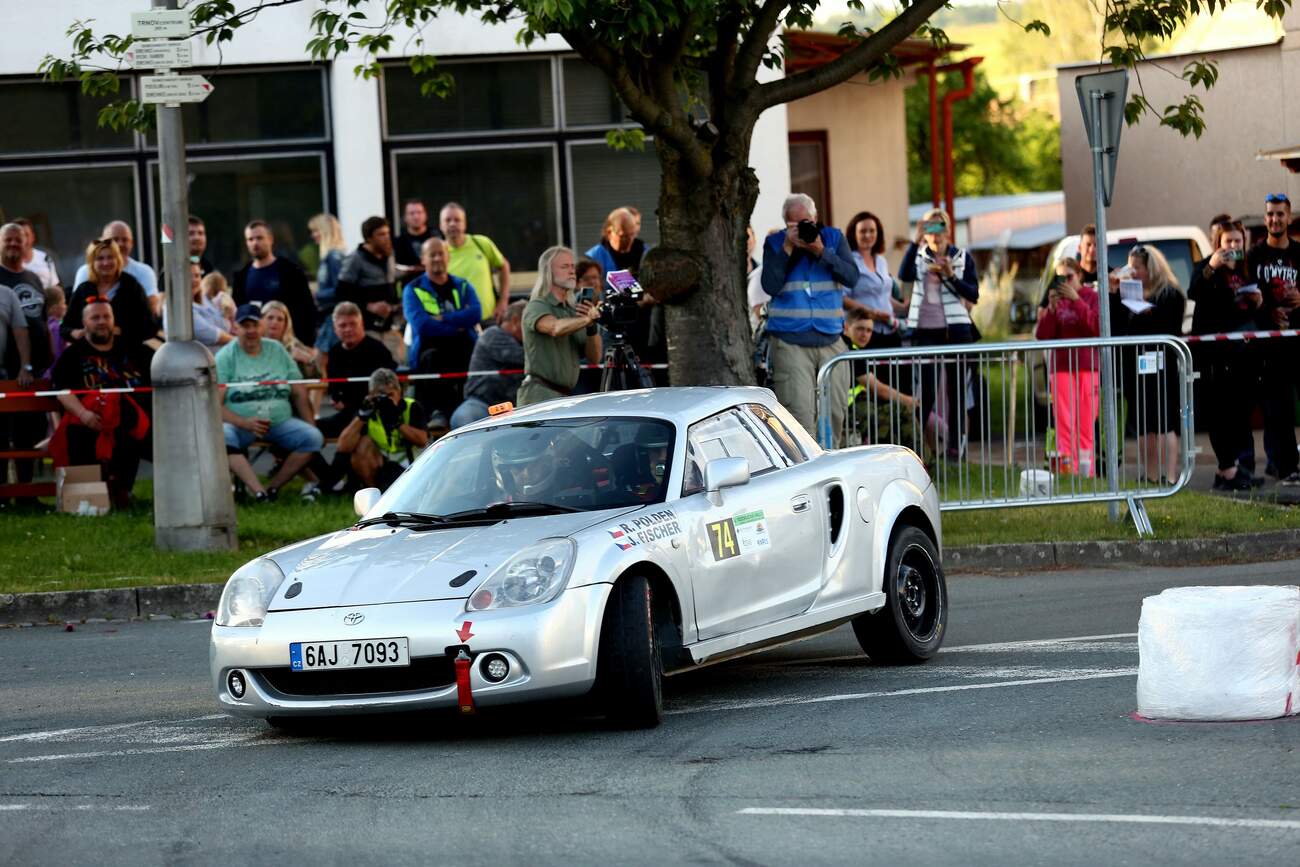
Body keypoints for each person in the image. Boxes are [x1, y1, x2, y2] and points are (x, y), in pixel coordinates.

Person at [759, 193, 857, 441]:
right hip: (791, 343)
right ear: (786, 223)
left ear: (815, 218)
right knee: (799, 418)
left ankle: (830, 470)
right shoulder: (775, 242)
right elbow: (770, 285)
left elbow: (852, 278)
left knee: (834, 412)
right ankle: (806, 475)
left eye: (806, 223)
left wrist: (821, 251)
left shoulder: (833, 238)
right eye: (795, 225)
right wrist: (788, 249)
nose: (802, 229)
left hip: (831, 339)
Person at [50, 298, 153, 508]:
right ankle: (88, 501)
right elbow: (62, 391)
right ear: (84, 323)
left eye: (106, 316)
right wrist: (83, 414)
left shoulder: (134, 350)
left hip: (139, 424)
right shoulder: (73, 355)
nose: (101, 321)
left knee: (138, 427)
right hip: (91, 423)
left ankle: (124, 492)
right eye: (95, 317)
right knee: (78, 436)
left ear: (114, 320)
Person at [216, 304, 323, 502]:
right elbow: (215, 404)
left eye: (255, 325)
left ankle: (273, 488)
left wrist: (310, 423)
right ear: (235, 328)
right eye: (245, 325)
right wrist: (244, 423)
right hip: (240, 425)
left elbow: (298, 390)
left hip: (280, 421)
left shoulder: (277, 350)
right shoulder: (225, 356)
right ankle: (258, 492)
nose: (251, 331)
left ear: (262, 326)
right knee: (223, 436)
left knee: (313, 437)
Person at [898, 208, 980, 462]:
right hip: (926, 330)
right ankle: (916, 447)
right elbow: (904, 276)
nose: (936, 234)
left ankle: (956, 450)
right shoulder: (919, 256)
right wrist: (915, 241)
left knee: (957, 391)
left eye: (940, 227)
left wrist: (950, 276)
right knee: (929, 391)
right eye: (930, 228)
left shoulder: (962, 257)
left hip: (957, 330)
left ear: (949, 229)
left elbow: (973, 294)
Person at [1190, 220, 1261, 491]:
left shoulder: (1245, 270)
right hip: (1213, 355)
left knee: (1239, 412)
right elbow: (1194, 291)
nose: (1233, 247)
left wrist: (1257, 302)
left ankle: (1233, 469)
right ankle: (1227, 468)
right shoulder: (1207, 267)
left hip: (1242, 354)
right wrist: (1212, 266)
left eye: (1237, 242)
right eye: (1228, 242)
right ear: (1218, 244)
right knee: (1219, 413)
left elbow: (1246, 307)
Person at [1109, 244, 1185, 485]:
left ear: (1150, 267)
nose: (1133, 272)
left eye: (1137, 267)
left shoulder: (1170, 293)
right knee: (1143, 423)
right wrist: (1113, 294)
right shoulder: (1127, 292)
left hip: (1164, 364)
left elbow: (1172, 327)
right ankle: (1151, 475)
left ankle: (1171, 476)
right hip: (1137, 365)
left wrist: (1150, 310)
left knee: (1166, 421)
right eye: (1130, 267)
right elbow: (1116, 326)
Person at [1248, 193, 1300, 484]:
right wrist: (1267, 309)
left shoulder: (1298, 253)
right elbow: (1243, 293)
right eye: (1270, 214)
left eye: (1280, 214)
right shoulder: (1255, 255)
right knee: (1277, 409)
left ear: (1289, 217)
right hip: (1268, 344)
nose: (1274, 219)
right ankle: (1285, 467)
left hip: (1297, 338)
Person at [403, 237, 481, 429]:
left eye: (441, 253)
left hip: (464, 346)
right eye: (432, 254)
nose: (437, 258)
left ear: (448, 257)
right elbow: (422, 325)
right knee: (433, 359)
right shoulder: (412, 289)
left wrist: (444, 318)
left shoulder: (463, 285)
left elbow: (476, 313)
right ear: (423, 259)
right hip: (430, 350)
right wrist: (458, 324)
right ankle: (437, 413)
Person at [1035, 258, 1101, 477]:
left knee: (1086, 422)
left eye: (1069, 277)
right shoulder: (1056, 301)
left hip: (1087, 367)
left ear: (1080, 275)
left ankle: (1086, 472)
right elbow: (1043, 335)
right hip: (1061, 368)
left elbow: (1096, 327)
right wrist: (1051, 309)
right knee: (1064, 422)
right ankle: (1066, 471)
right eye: (1059, 278)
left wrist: (1077, 301)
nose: (1064, 283)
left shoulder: (1091, 297)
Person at [517, 246, 601, 407]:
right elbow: (555, 328)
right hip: (538, 395)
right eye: (564, 267)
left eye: (572, 266)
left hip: (565, 396)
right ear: (548, 272)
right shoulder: (536, 305)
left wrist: (592, 326)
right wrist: (587, 319)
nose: (571, 271)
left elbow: (594, 358)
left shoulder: (572, 311)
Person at [336, 368, 429, 491]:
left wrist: (397, 423)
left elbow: (422, 441)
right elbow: (342, 447)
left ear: (399, 391)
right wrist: (361, 416)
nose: (387, 399)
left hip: (411, 465)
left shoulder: (411, 406)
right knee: (362, 444)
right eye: (382, 395)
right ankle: (374, 494)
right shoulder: (369, 408)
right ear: (371, 394)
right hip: (382, 464)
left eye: (390, 395)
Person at [842, 307, 918, 448]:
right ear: (846, 327)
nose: (864, 334)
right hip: (848, 410)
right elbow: (879, 389)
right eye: (860, 329)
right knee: (902, 413)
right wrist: (909, 401)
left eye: (869, 330)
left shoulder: (854, 349)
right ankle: (923, 463)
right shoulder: (850, 351)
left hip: (854, 407)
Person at [231, 220, 316, 346]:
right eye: (250, 239)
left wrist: (305, 344)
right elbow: (238, 312)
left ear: (270, 239)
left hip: (288, 342)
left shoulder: (290, 271)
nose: (255, 243)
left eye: (260, 238)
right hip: (255, 343)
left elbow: (306, 310)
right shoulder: (241, 276)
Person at [63, 238, 157, 351]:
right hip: (90, 357)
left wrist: (122, 331)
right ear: (92, 263)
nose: (106, 263)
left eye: (110, 257)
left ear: (118, 260)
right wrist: (74, 333)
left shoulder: (132, 287)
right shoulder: (84, 289)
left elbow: (150, 327)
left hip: (127, 354)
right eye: (100, 258)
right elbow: (65, 328)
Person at [451, 299, 526, 428]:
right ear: (515, 321)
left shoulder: (518, 342)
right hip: (483, 404)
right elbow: (522, 357)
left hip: (512, 409)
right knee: (466, 419)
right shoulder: (493, 334)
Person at [441, 202, 512, 325]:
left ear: (464, 224)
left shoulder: (481, 243)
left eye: (457, 220)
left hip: (489, 319)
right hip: (457, 325)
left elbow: (503, 265)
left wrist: (503, 301)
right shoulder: (439, 253)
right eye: (447, 220)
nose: (452, 224)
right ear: (441, 225)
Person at [72, 221, 160, 317]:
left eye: (125, 240)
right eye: (115, 239)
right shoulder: (85, 272)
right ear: (103, 241)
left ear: (132, 243)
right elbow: (76, 309)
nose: (120, 244)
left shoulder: (143, 272)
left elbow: (152, 308)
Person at [844, 211, 903, 350]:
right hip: (864, 332)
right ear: (854, 234)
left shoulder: (881, 260)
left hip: (889, 329)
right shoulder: (848, 261)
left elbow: (884, 294)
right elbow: (842, 298)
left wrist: (904, 306)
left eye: (872, 230)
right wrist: (871, 312)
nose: (868, 235)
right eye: (863, 231)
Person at [0, 223, 48, 380]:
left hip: (40, 366)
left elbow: (44, 318)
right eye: (8, 240)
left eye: (18, 240)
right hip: (10, 369)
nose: (13, 243)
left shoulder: (33, 278)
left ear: (26, 244)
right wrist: (23, 366)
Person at [337, 216, 398, 339]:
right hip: (367, 327)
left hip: (389, 324)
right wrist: (369, 306)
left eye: (387, 233)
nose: (386, 238)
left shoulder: (389, 255)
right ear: (369, 238)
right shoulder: (355, 259)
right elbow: (342, 292)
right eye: (381, 234)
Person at [164, 260, 234, 354]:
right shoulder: (178, 308)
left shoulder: (205, 300)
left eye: (197, 276)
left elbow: (223, 325)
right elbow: (212, 335)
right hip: (193, 365)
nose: (194, 280)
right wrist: (241, 342)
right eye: (188, 276)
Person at [307, 213, 348, 354]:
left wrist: (316, 295)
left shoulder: (334, 257)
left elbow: (340, 290)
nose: (313, 235)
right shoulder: (333, 256)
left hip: (332, 317)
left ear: (325, 231)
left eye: (315, 231)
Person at [395, 199, 439, 286]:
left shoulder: (437, 237)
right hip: (410, 288)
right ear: (405, 217)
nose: (416, 216)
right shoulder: (399, 242)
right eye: (411, 213)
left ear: (425, 215)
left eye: (419, 212)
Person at [12, 218, 60, 290]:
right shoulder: (8, 263)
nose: (23, 239)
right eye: (19, 236)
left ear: (33, 237)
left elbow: (55, 288)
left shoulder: (45, 258)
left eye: (26, 235)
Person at [44, 285, 67, 373]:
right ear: (54, 308)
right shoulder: (55, 328)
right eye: (63, 303)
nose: (65, 306)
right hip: (56, 372)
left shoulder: (46, 324)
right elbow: (57, 353)